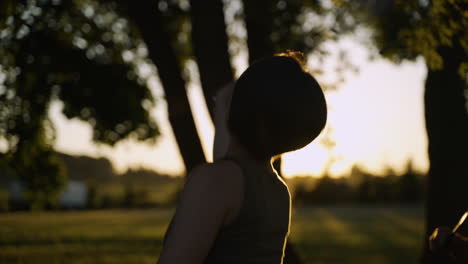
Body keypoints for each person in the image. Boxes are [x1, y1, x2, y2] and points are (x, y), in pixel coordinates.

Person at [157, 52, 327, 264]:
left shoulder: (214, 181)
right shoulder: (277, 191)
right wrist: (225, 113)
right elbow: (228, 162)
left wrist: (226, 109)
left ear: (238, 108)